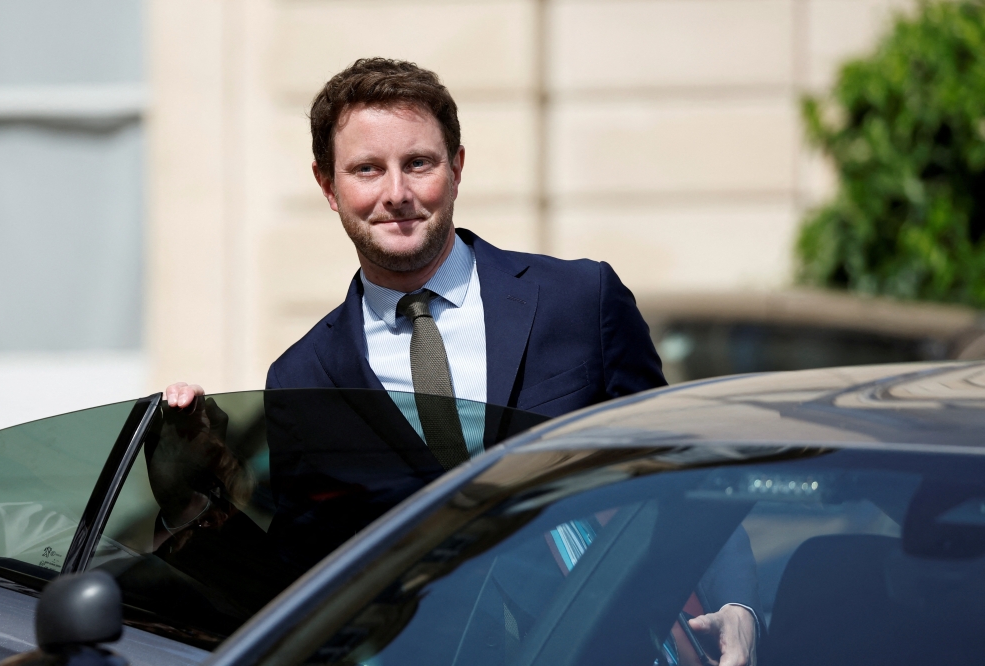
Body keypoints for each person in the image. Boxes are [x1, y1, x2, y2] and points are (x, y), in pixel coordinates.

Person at [163, 58, 758, 665]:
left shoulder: (581, 301)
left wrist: (740, 606)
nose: (396, 194)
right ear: (327, 185)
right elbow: (303, 589)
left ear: (456, 168)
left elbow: (682, 477)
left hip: (610, 646)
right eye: (367, 169)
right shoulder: (303, 380)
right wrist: (197, 500)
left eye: (418, 163)